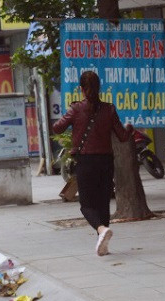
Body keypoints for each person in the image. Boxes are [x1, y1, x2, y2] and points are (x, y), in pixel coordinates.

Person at [51, 71, 134, 256]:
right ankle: (103, 243)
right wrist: (129, 128)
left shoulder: (76, 109)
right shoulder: (109, 109)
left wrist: (69, 118)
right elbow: (122, 136)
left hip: (86, 161)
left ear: (81, 89)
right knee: (103, 203)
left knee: (87, 205)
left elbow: (57, 128)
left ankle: (101, 230)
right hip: (106, 161)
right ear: (99, 88)